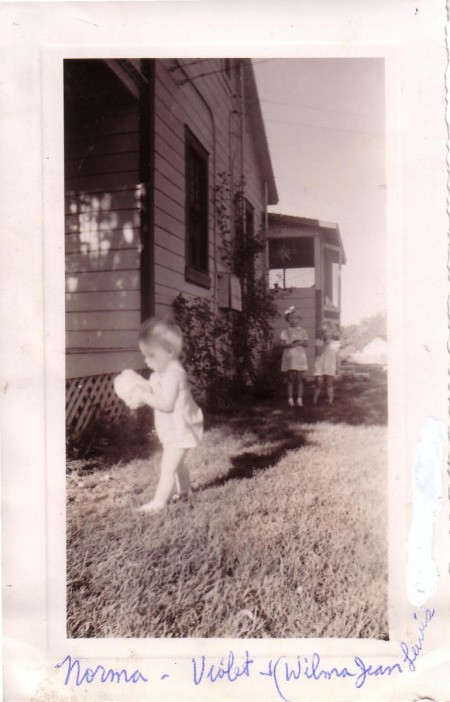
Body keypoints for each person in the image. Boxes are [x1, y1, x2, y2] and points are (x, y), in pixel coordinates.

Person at [114, 317, 203, 514]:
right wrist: (139, 386)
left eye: (151, 356)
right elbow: (155, 390)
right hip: (174, 428)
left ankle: (158, 503)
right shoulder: (163, 372)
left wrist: (144, 395)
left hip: (180, 428)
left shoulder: (174, 374)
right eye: (145, 356)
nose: (146, 361)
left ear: (169, 352)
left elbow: (166, 404)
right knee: (177, 463)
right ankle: (185, 491)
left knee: (167, 467)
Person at [280, 306, 308, 407]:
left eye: (296, 318)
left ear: (299, 319)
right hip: (290, 357)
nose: (293, 320)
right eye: (291, 318)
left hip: (300, 357)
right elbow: (281, 344)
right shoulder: (285, 331)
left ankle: (299, 399)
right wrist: (289, 345)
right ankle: (290, 399)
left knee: (300, 379)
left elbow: (307, 344)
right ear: (287, 319)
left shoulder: (302, 331)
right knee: (290, 378)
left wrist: (301, 342)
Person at [313, 322, 340, 405]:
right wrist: (325, 343)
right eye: (325, 332)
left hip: (330, 365)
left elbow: (337, 356)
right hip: (320, 365)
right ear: (322, 333)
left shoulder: (336, 343)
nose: (327, 334)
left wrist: (337, 367)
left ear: (333, 333)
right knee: (319, 383)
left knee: (329, 383)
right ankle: (314, 401)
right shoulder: (319, 341)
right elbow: (319, 353)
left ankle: (330, 401)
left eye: (330, 332)